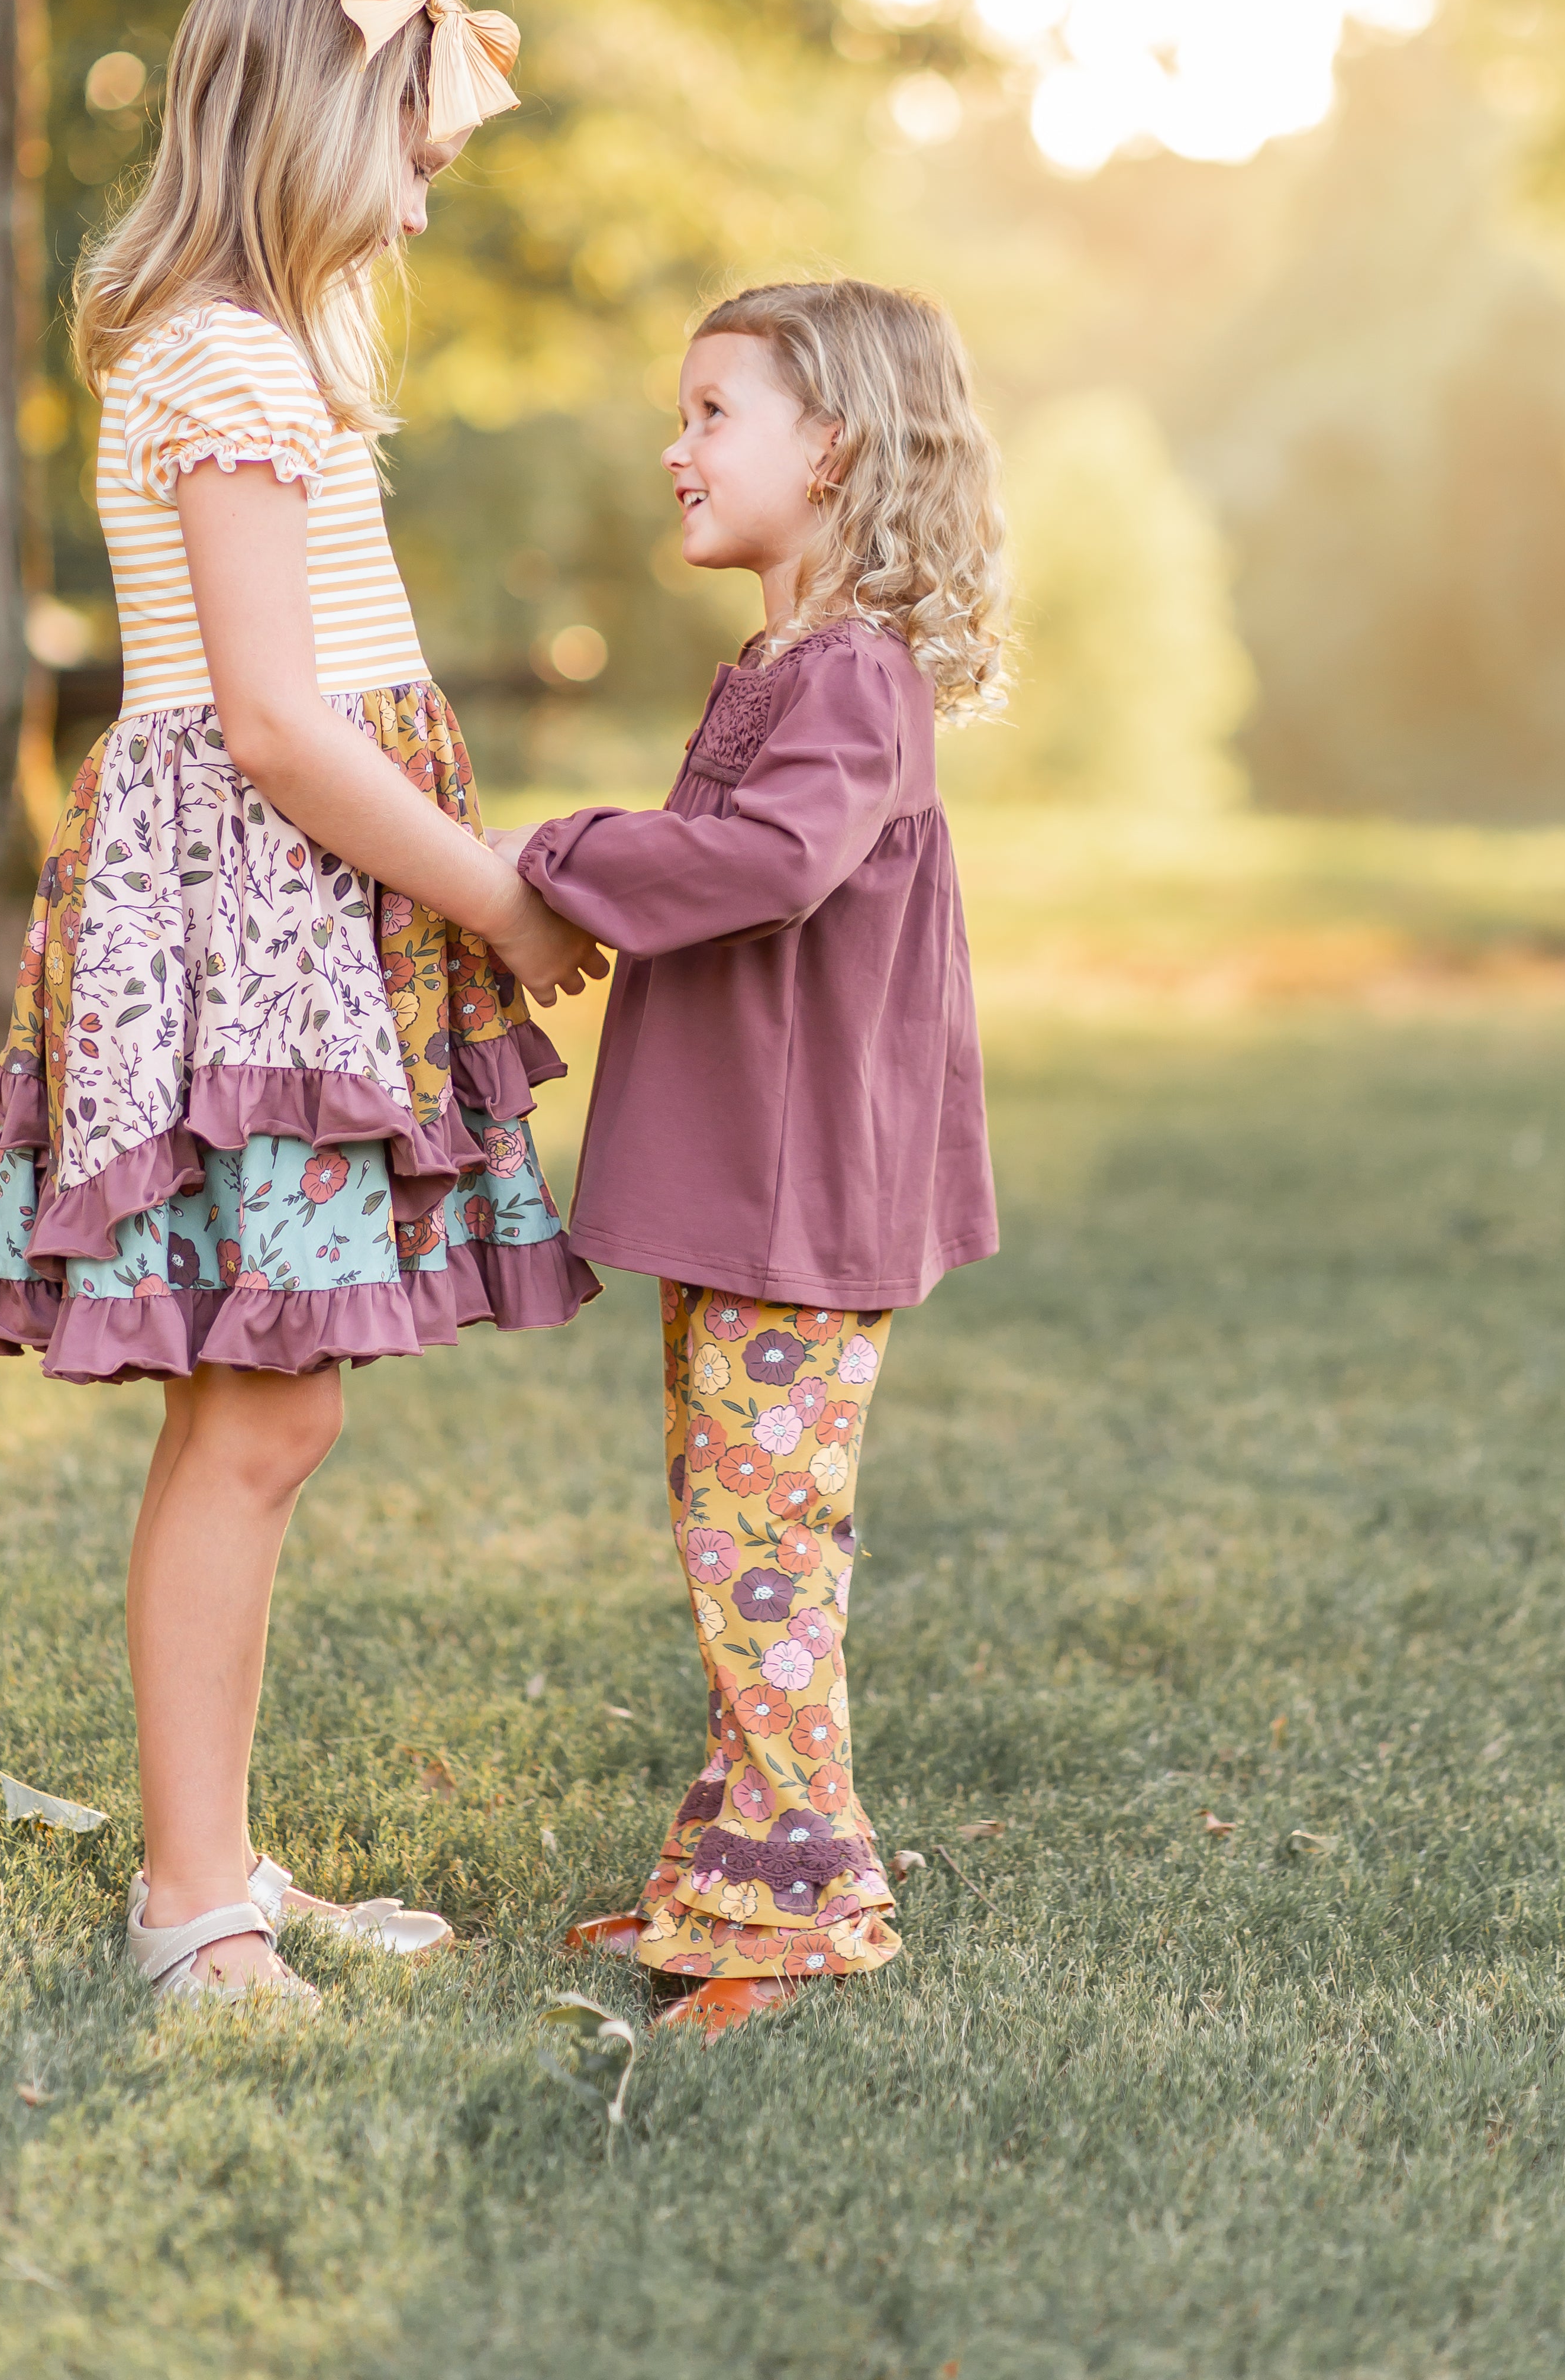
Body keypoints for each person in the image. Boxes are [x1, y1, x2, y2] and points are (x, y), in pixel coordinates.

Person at [0, 0, 605, 2008]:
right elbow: (273, 720)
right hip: (254, 934)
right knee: (255, 1410)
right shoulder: (226, 358)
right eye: (412, 150)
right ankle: (186, 1908)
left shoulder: (259, 347)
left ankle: (214, 1864)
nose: (421, 196)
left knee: (267, 1406)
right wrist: (489, 889)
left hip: (301, 918)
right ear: (322, 121)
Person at [502, 278, 1005, 2038]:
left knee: (764, 1550)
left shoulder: (854, 675)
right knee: (738, 1534)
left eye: (715, 412)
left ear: (837, 445)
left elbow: (767, 866)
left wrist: (555, 857)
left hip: (801, 1203)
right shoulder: (787, 662)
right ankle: (727, 1879)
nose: (676, 446)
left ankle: (809, 1908)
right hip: (751, 1193)